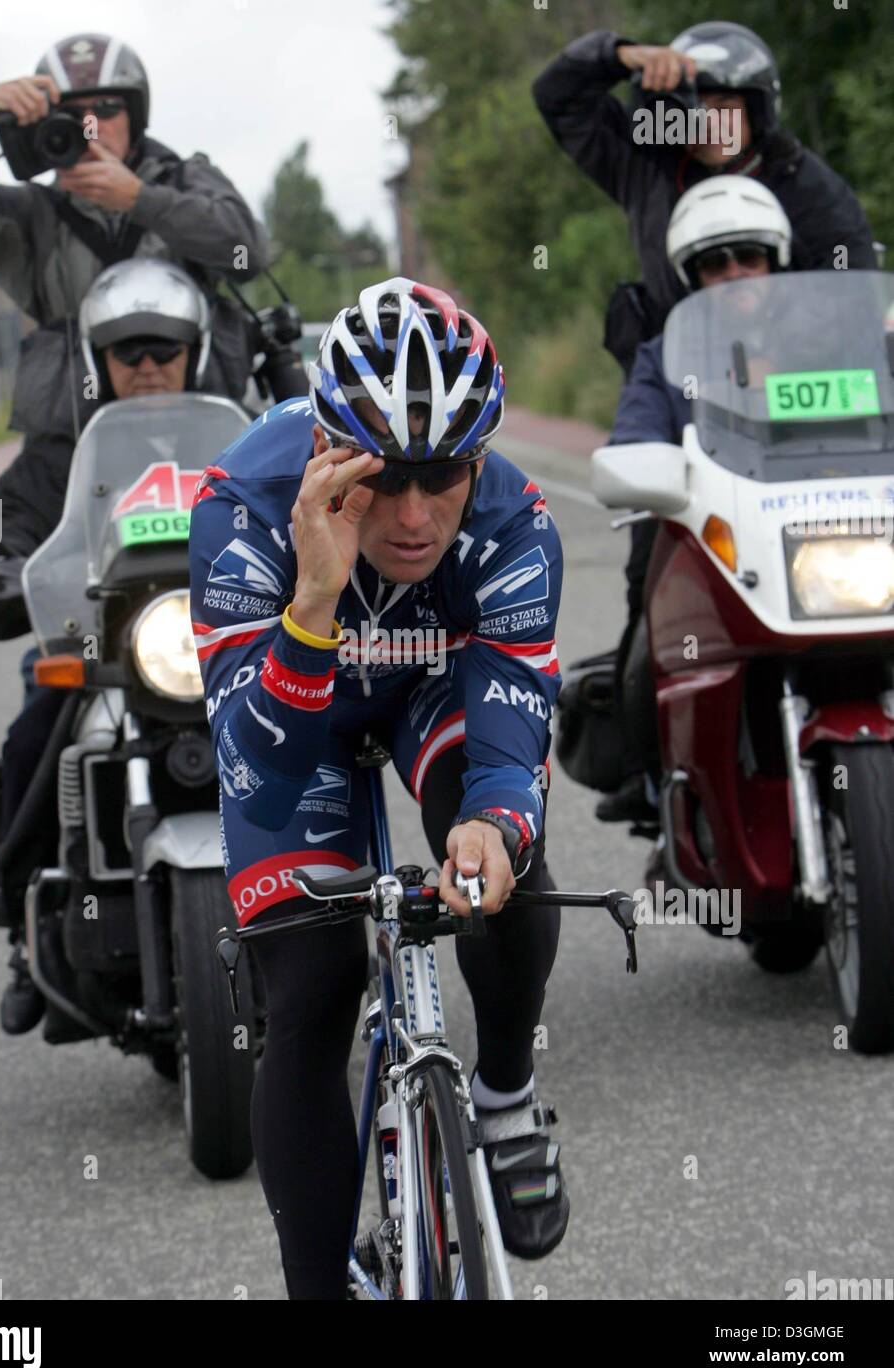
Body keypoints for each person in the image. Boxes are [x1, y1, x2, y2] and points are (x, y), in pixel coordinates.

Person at [189, 278, 568, 1299]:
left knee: (505, 873)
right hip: (297, 702)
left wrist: (494, 823)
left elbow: (508, 733)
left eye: (441, 477)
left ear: (477, 463)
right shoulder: (240, 507)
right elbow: (259, 776)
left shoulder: (515, 521)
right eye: (383, 476)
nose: (411, 515)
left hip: (432, 687)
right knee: (310, 987)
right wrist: (314, 599)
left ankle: (505, 1094)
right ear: (326, 448)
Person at [0, 258, 216, 1035]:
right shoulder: (59, 451)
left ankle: (350, 895)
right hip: (101, 649)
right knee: (33, 733)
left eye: (164, 348)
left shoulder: (244, 437)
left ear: (195, 350)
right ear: (98, 358)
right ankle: (23, 922)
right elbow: (2, 517)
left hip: (220, 646)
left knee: (333, 721)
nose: (147, 365)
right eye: (127, 350)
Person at [0, 31, 268, 436]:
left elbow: (248, 254)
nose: (90, 127)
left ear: (134, 117)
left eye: (106, 109)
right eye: (71, 113)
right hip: (74, 448)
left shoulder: (187, 181)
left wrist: (141, 200)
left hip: (204, 434)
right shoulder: (29, 215)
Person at [597, 176, 791, 827]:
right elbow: (633, 438)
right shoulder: (663, 357)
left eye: (749, 257)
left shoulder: (822, 346)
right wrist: (643, 465)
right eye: (715, 262)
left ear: (774, 263)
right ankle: (655, 779)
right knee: (646, 639)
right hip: (710, 540)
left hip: (813, 537)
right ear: (692, 276)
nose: (735, 274)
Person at [531, 20, 876, 375]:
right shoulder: (644, 164)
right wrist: (618, 55)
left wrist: (781, 361)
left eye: (724, 105)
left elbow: (854, 285)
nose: (708, 122)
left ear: (756, 109)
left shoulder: (801, 181)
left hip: (798, 378)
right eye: (693, 108)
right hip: (676, 381)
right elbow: (557, 98)